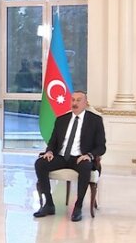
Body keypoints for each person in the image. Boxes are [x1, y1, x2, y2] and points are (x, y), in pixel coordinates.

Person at [34, 91, 106, 222]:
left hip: (80, 158)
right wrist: (49, 152)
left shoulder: (95, 120)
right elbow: (53, 142)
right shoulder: (61, 119)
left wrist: (89, 155)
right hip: (61, 157)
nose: (75, 103)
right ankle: (49, 204)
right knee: (40, 163)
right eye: (73, 100)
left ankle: (78, 207)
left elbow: (101, 146)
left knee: (86, 166)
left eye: (78, 100)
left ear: (85, 103)